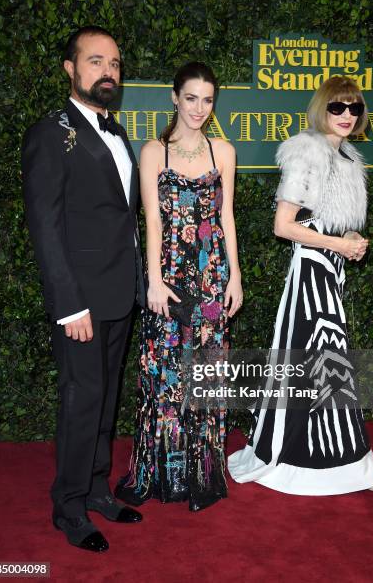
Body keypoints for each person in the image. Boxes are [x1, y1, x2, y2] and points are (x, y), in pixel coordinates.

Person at [228, 76, 373, 495]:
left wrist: (351, 242)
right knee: (321, 362)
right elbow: (284, 226)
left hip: (330, 273)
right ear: (322, 108)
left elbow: (330, 224)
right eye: (337, 107)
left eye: (354, 108)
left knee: (326, 363)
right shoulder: (305, 154)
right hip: (310, 278)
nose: (346, 116)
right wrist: (338, 242)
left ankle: (345, 462)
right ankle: (339, 462)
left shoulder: (350, 160)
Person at [22, 26, 146, 552]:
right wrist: (68, 303)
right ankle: (69, 505)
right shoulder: (50, 133)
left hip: (119, 291)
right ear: (70, 69)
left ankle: (96, 488)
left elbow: (122, 218)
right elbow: (45, 225)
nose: (108, 71)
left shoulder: (116, 133)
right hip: (81, 302)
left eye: (115, 63)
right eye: (96, 61)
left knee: (105, 399)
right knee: (81, 400)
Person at [115, 62, 242, 511]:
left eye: (208, 100)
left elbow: (226, 219)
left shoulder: (223, 151)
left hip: (210, 279)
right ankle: (161, 473)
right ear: (174, 98)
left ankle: (202, 477)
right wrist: (153, 280)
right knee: (164, 374)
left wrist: (236, 278)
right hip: (167, 278)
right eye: (191, 98)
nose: (199, 109)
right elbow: (150, 220)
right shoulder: (154, 152)